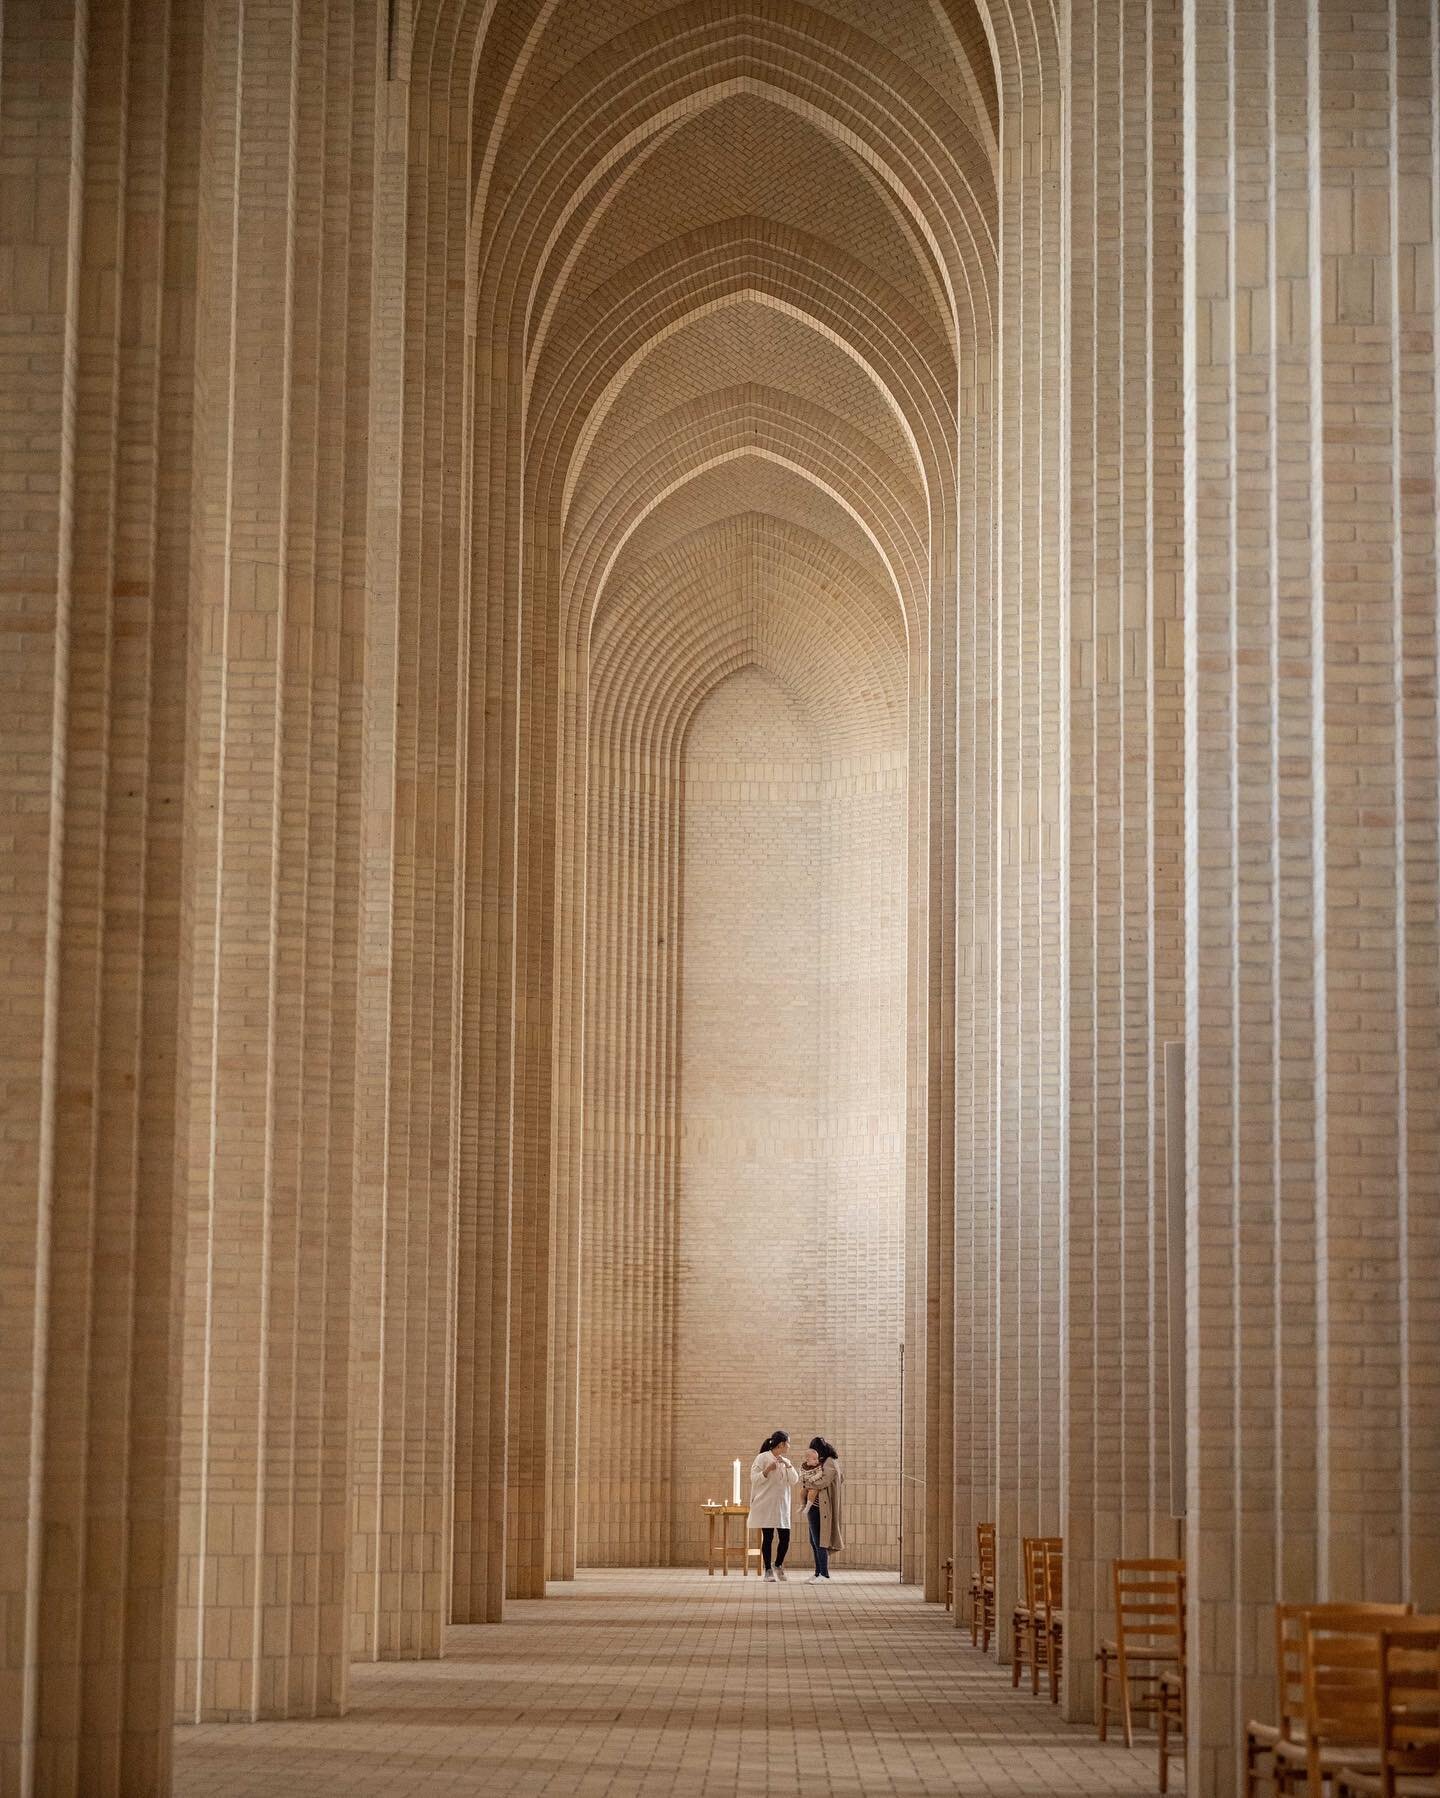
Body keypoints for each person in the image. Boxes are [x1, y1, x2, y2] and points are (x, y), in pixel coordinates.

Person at [748, 1430, 799, 1581]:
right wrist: (767, 1470)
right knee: (768, 1537)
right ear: (781, 1444)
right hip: (766, 1504)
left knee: (785, 1538)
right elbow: (754, 1479)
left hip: (782, 1505)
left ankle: (777, 1564)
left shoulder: (786, 1460)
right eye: (788, 1443)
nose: (789, 1446)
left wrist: (788, 1466)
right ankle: (768, 1571)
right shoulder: (762, 1458)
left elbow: (794, 1480)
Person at [799, 1436, 843, 1580]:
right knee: (814, 1540)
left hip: (820, 1507)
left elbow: (824, 1481)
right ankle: (818, 1573)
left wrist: (807, 1484)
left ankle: (823, 1574)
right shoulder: (826, 1462)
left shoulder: (829, 1462)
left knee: (820, 1541)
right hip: (815, 1506)